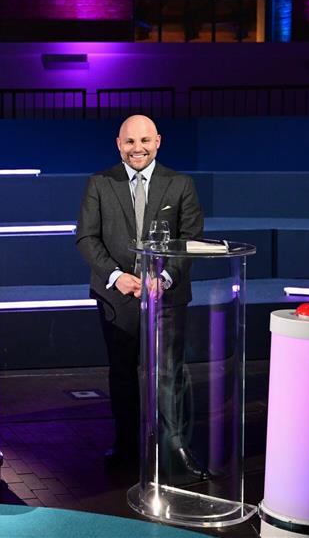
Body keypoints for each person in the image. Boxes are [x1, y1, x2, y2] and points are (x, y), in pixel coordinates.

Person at [75, 114, 204, 472]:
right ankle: (126, 445)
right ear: (119, 144)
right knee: (122, 372)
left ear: (158, 141)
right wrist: (116, 276)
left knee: (170, 372)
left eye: (145, 141)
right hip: (118, 297)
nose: (138, 149)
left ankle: (175, 448)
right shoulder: (99, 183)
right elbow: (86, 237)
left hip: (167, 295)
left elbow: (189, 240)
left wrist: (163, 279)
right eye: (130, 142)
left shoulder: (180, 184)